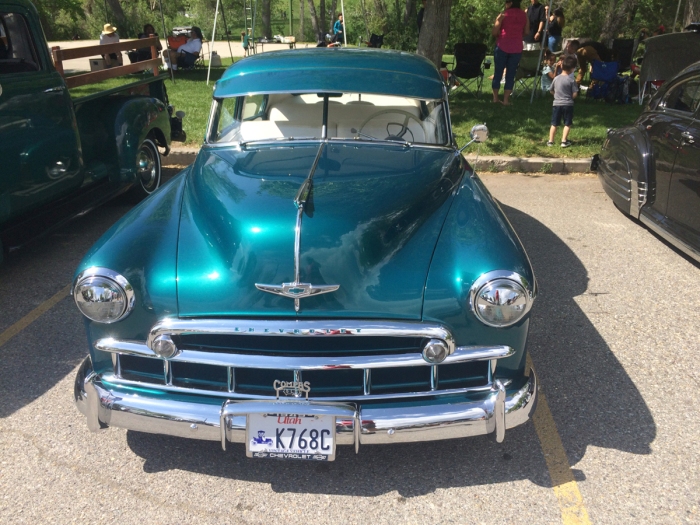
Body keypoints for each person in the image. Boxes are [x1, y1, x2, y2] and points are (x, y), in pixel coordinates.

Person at [491, 0, 529, 106]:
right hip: (516, 47)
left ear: (510, 3)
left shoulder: (503, 14)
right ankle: (506, 100)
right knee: (511, 74)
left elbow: (494, 32)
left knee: (498, 72)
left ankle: (495, 98)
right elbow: (527, 31)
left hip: (502, 45)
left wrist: (499, 34)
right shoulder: (524, 15)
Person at [547, 55, 579, 148]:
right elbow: (574, 94)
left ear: (561, 66)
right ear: (573, 69)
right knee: (567, 123)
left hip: (556, 104)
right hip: (568, 104)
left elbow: (551, 90)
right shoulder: (571, 80)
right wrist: (571, 97)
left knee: (554, 123)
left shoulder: (556, 78)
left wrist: (556, 96)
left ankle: (550, 141)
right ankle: (564, 141)